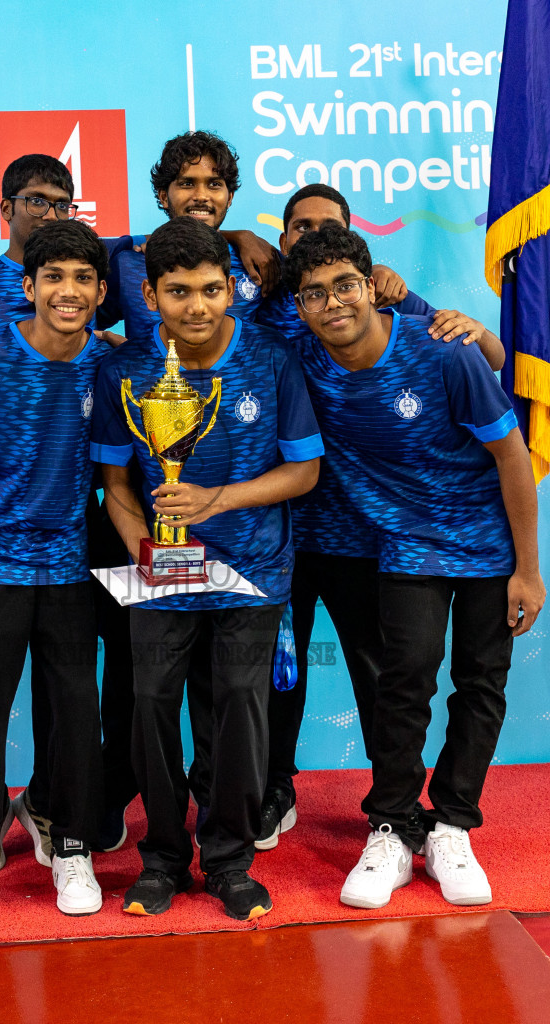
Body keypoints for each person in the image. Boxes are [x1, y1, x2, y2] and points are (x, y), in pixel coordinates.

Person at [283, 225, 545, 910]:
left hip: (486, 542)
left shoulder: (443, 353)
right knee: (404, 681)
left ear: (371, 285)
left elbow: (512, 457)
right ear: (301, 308)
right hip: (403, 545)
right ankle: (393, 827)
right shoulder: (301, 361)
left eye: (345, 285)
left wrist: (528, 568)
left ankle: (453, 824)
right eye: (314, 294)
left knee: (480, 683)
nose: (332, 303)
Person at [250, 184, 507, 852]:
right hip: (284, 531)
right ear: (281, 240)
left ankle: (393, 813)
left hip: (373, 535)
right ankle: (275, 788)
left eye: (324, 228)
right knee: (281, 668)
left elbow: (486, 357)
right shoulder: (268, 307)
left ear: (361, 265)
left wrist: (474, 327)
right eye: (297, 228)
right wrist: (230, 241)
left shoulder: (386, 302)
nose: (308, 238)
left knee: (391, 676)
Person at [90, 217, 323, 921]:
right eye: (179, 291)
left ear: (231, 289)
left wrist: (217, 500)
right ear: (150, 294)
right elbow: (116, 486)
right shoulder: (124, 370)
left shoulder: (273, 358)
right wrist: (144, 547)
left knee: (240, 716)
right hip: (162, 574)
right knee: (152, 711)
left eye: (211, 289)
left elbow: (305, 470)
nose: (197, 305)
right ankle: (160, 857)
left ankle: (227, 860)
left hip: (252, 571)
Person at [0, 154, 129, 866]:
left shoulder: (105, 357)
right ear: (6, 207)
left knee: (74, 707)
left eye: (61, 203)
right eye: (34, 201)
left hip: (71, 556)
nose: (49, 213)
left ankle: (58, 824)